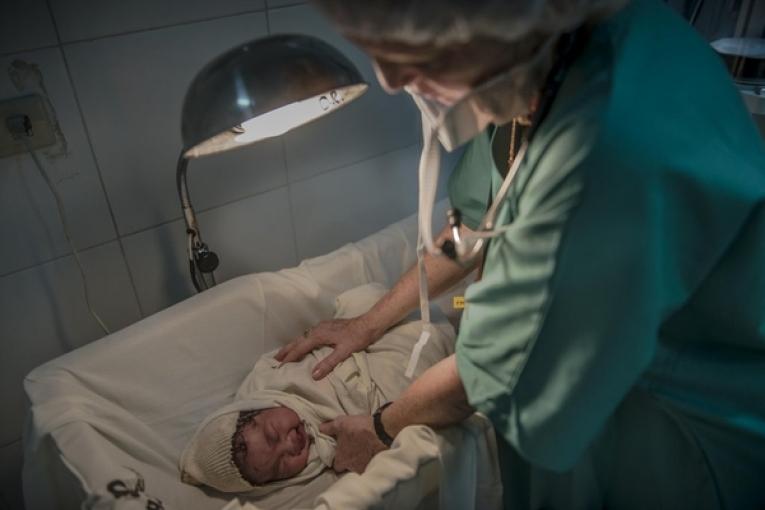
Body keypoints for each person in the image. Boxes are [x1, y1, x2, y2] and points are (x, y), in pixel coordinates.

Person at [275, 0, 765, 508]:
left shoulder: (604, 149)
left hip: (682, 445)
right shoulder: (533, 74)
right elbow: (468, 233)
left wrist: (380, 427)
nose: (392, 80)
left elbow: (483, 378)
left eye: (405, 50)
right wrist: (367, 324)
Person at [179, 283, 454, 495]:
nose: (290, 445)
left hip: (358, 342)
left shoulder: (265, 384)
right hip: (385, 377)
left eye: (274, 436)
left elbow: (292, 354)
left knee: (363, 299)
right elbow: (358, 447)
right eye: (280, 468)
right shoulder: (324, 451)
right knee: (421, 366)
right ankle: (459, 310)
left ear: (256, 409)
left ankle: (459, 302)